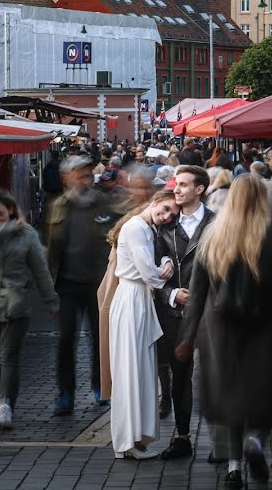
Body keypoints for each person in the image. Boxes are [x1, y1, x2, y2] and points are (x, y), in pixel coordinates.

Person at [177, 174, 272, 488]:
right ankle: (256, 441)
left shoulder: (212, 236)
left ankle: (234, 466)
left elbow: (198, 293)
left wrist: (187, 337)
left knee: (230, 395)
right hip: (266, 328)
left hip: (219, 333)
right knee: (266, 391)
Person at [0, 190, 59, 430]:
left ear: (10, 210)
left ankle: (6, 403)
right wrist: (11, 227)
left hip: (15, 303)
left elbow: (40, 270)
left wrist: (50, 300)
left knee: (8, 356)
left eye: (0, 213)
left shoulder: (28, 235)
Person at [110, 191, 179, 459]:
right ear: (154, 202)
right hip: (132, 299)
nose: (166, 216)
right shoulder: (137, 228)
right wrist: (165, 270)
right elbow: (149, 272)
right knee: (132, 370)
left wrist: (165, 262)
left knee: (138, 370)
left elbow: (155, 263)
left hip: (137, 299)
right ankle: (128, 441)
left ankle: (134, 439)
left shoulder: (145, 227)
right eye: (164, 209)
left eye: (171, 215)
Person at [46, 155, 116, 415]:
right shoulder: (57, 206)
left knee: (100, 339)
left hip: (98, 284)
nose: (87, 179)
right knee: (66, 340)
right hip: (66, 284)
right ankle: (65, 393)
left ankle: (100, 387)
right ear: (67, 178)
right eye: (81, 174)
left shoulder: (103, 203)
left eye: (88, 174)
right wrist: (47, 289)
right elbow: (50, 249)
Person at [154, 165, 215, 461]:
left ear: (200, 189)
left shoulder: (217, 223)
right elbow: (151, 273)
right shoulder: (165, 226)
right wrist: (170, 294)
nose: (176, 189)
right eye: (176, 184)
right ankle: (181, 437)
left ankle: (222, 440)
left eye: (183, 185)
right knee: (180, 375)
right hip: (178, 313)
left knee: (216, 376)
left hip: (210, 313)